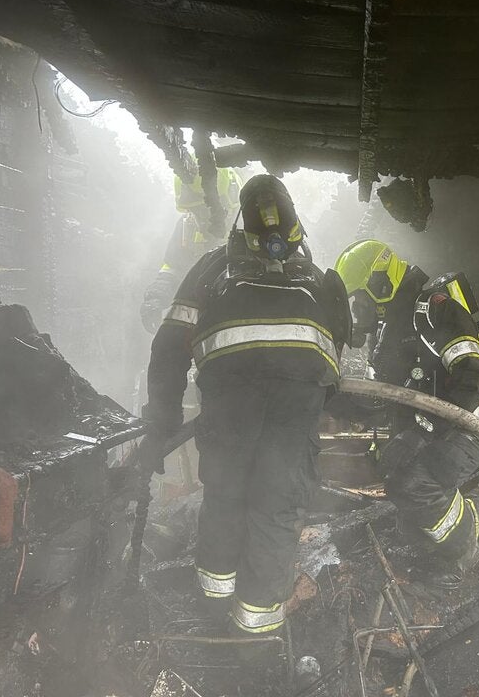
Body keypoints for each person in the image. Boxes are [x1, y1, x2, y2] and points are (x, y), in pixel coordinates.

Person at [142, 175, 350, 634]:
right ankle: (256, 632)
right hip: (295, 406)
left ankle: (214, 607)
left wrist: (162, 420)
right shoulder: (317, 279)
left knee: (225, 496)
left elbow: (169, 345)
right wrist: (319, 404)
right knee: (276, 508)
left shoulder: (211, 270)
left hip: (228, 402)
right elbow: (335, 357)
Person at [333, 240, 479, 588]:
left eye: (359, 302)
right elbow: (383, 399)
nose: (358, 313)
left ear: (379, 284)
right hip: (436, 428)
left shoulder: (433, 310)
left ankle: (464, 553)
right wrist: (333, 400)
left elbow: (474, 378)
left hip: (469, 423)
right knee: (404, 499)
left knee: (415, 486)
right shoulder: (390, 331)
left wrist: (422, 432)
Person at [139, 168, 243, 334]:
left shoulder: (250, 224)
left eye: (209, 208)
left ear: (231, 200)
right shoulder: (186, 227)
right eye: (196, 211)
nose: (203, 218)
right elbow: (172, 266)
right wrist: (156, 296)